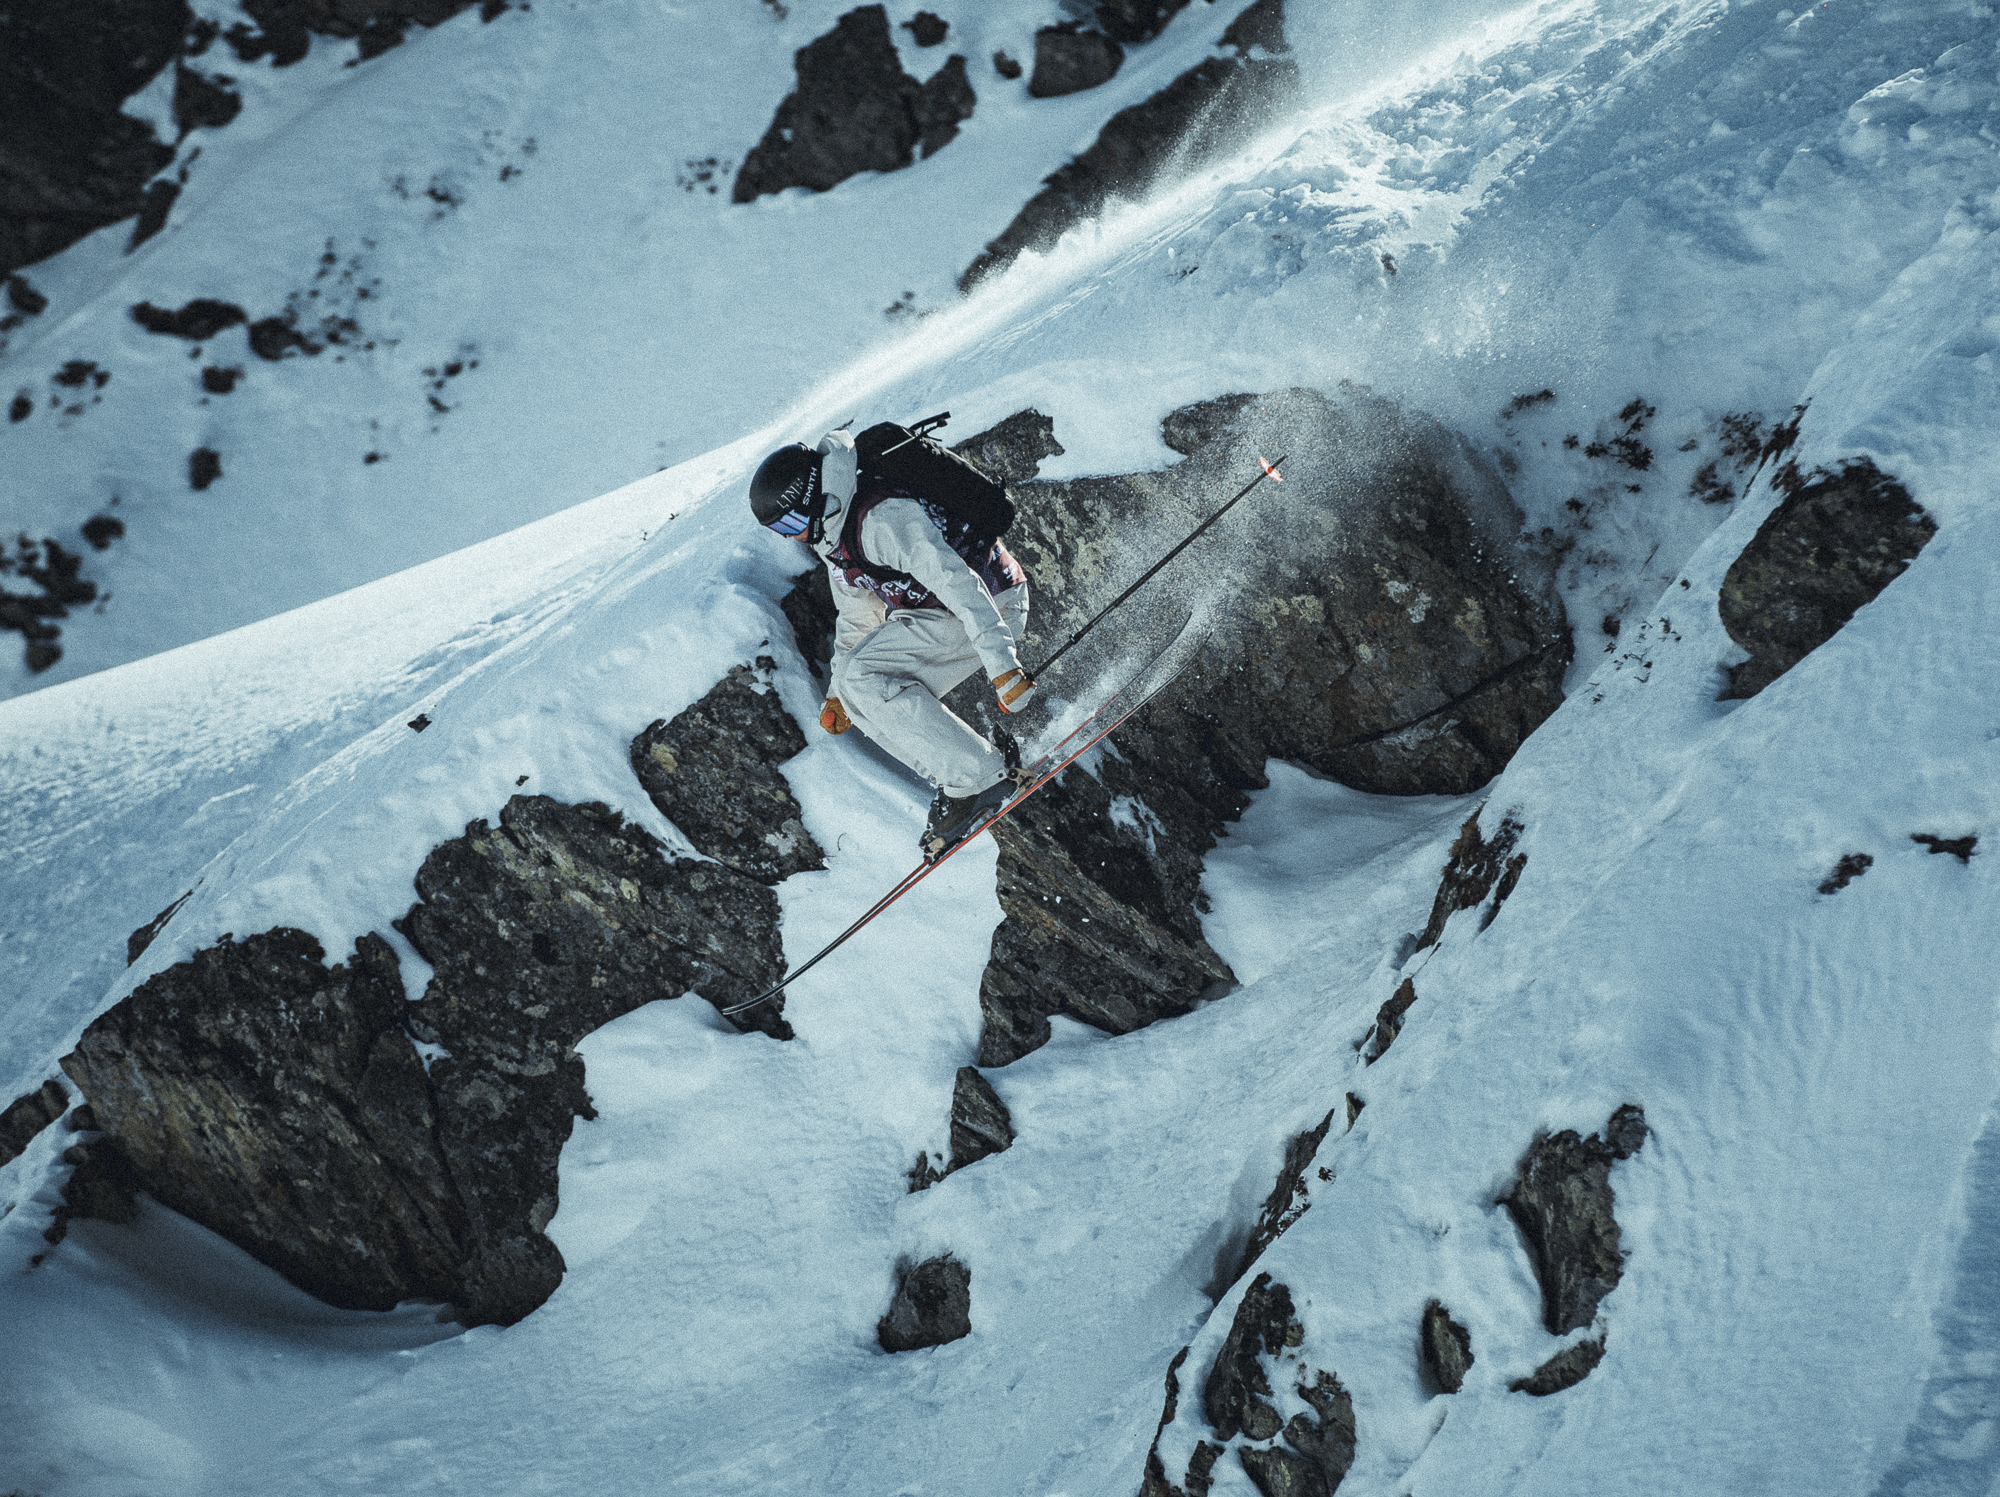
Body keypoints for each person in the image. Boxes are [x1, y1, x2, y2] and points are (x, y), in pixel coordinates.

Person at [750, 428, 1036, 858]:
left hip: (991, 603)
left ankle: (978, 775)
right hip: (934, 613)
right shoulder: (834, 531)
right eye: (780, 530)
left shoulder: (881, 520)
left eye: (791, 522)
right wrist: (838, 698)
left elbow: (957, 582)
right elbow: (858, 612)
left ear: (812, 498)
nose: (792, 537)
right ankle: (961, 780)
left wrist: (1003, 666)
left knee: (864, 678)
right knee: (854, 683)